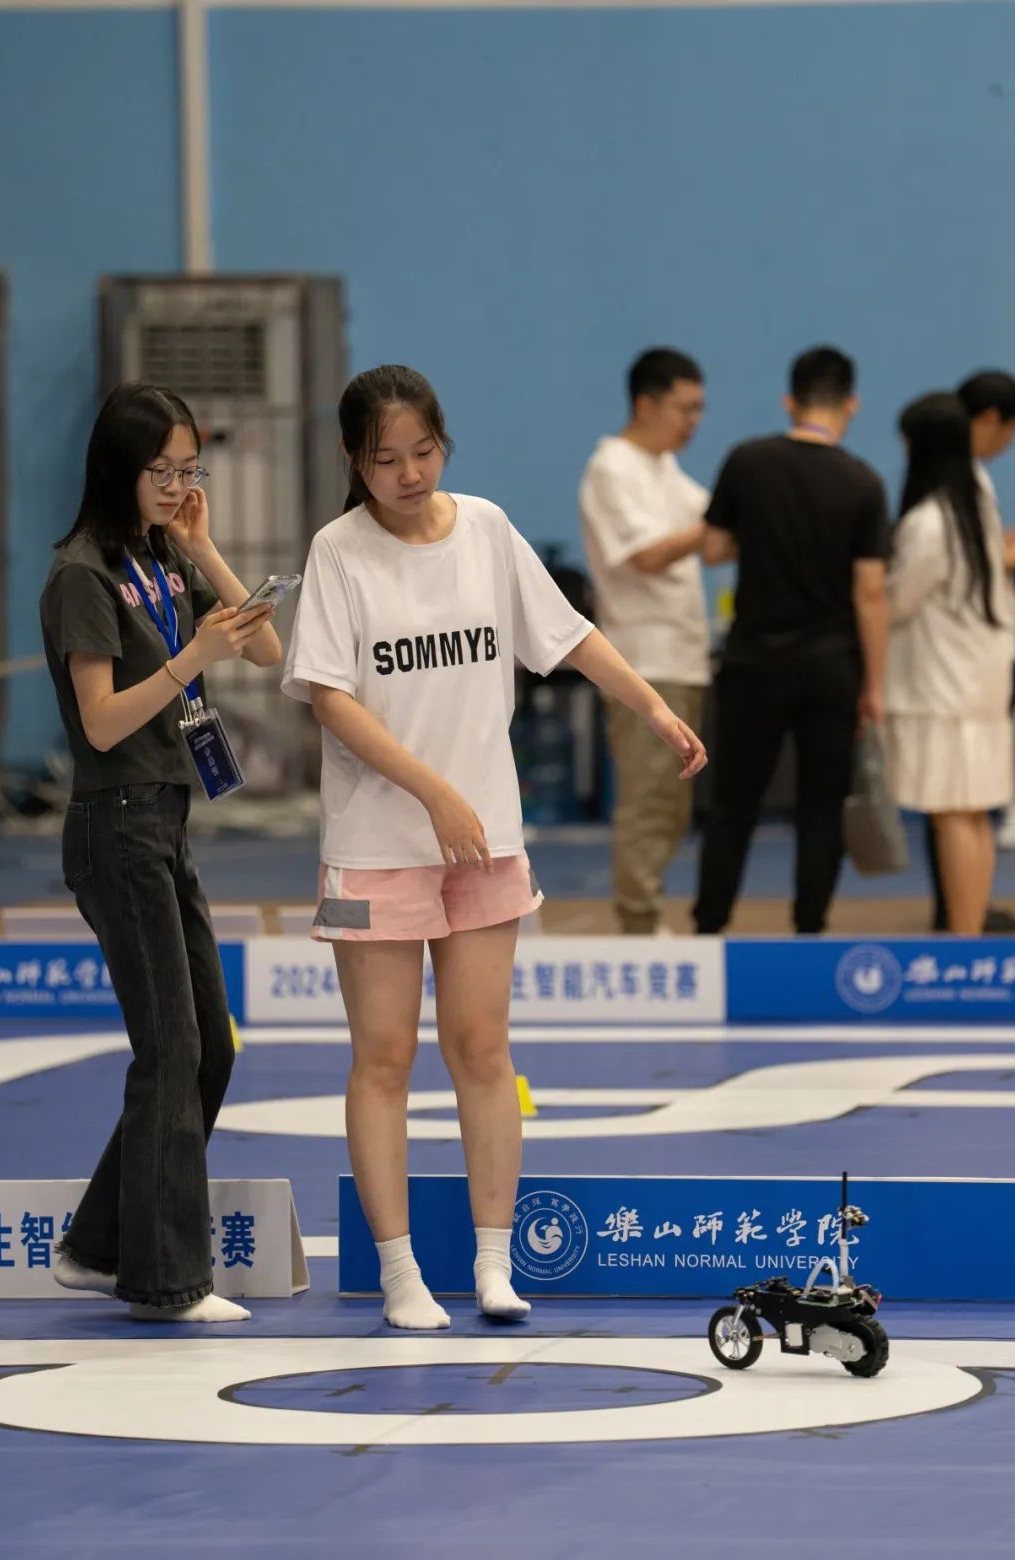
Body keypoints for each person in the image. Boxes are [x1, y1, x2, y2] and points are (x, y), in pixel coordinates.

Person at [282, 364, 707, 1330]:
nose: (409, 473)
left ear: (445, 443)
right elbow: (333, 701)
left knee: (482, 1048)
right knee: (383, 1057)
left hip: (484, 843)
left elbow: (570, 635)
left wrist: (650, 707)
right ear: (353, 460)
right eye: (386, 459)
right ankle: (400, 1273)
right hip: (375, 845)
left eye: (424, 451)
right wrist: (433, 792)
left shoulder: (486, 529)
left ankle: (494, 1262)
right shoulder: (338, 552)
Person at [40, 382, 280, 1323]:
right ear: (119, 470)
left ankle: (99, 1245)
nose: (180, 486)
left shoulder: (160, 556)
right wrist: (190, 662)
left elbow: (265, 651)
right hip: (117, 823)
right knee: (172, 1049)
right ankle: (165, 1279)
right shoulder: (83, 575)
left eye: (190, 469)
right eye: (164, 471)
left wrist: (204, 550)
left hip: (164, 822)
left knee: (208, 1044)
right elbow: (100, 723)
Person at [693, 346, 890, 934]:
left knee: (733, 803)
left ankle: (711, 925)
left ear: (790, 401)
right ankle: (810, 926)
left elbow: (712, 549)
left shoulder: (747, 461)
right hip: (832, 666)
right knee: (822, 805)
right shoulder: (864, 482)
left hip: (753, 661)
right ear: (851, 404)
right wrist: (875, 685)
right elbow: (871, 593)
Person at [579, 348, 710, 934]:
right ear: (645, 404)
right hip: (643, 663)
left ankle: (646, 915)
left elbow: (716, 538)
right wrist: (724, 520)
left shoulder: (666, 469)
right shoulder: (613, 468)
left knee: (673, 804)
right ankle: (637, 925)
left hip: (683, 656)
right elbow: (649, 555)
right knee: (649, 799)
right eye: (685, 408)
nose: (693, 422)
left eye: (700, 409)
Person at [886, 393, 1015, 933]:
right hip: (977, 682)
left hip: (942, 689)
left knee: (953, 816)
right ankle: (970, 935)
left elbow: (897, 601)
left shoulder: (929, 522)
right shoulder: (970, 508)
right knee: (973, 815)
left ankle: (963, 942)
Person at [924, 371, 1015, 930]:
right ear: (989, 420)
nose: (1008, 443)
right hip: (955, 670)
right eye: (1010, 432)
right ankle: (961, 925)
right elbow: (969, 572)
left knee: (967, 807)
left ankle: (965, 919)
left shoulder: (965, 484)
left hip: (969, 667)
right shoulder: (952, 488)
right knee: (957, 804)